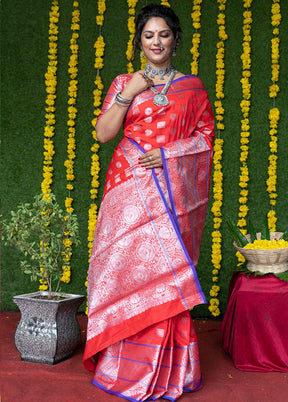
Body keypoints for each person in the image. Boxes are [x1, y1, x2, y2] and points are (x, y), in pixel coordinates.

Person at [83, 4, 215, 401]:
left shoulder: (192, 88)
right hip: (126, 188)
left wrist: (170, 154)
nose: (156, 42)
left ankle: (166, 368)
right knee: (126, 269)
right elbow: (103, 134)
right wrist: (129, 93)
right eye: (148, 35)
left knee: (164, 274)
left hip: (169, 193)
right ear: (140, 41)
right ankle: (121, 363)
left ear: (175, 39)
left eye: (163, 35)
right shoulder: (125, 81)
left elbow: (206, 138)